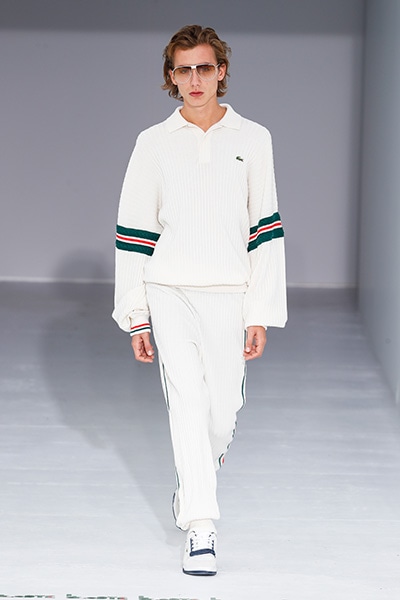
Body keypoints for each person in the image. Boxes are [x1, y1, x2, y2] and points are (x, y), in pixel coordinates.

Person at [112, 24, 287, 577]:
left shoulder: (253, 139)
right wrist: (137, 315)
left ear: (221, 71)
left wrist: (260, 311)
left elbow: (266, 229)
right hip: (170, 292)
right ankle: (201, 527)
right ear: (171, 76)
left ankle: (193, 483)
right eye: (183, 69)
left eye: (204, 68)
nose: (194, 79)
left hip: (230, 294)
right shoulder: (153, 143)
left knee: (222, 414)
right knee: (186, 404)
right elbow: (133, 232)